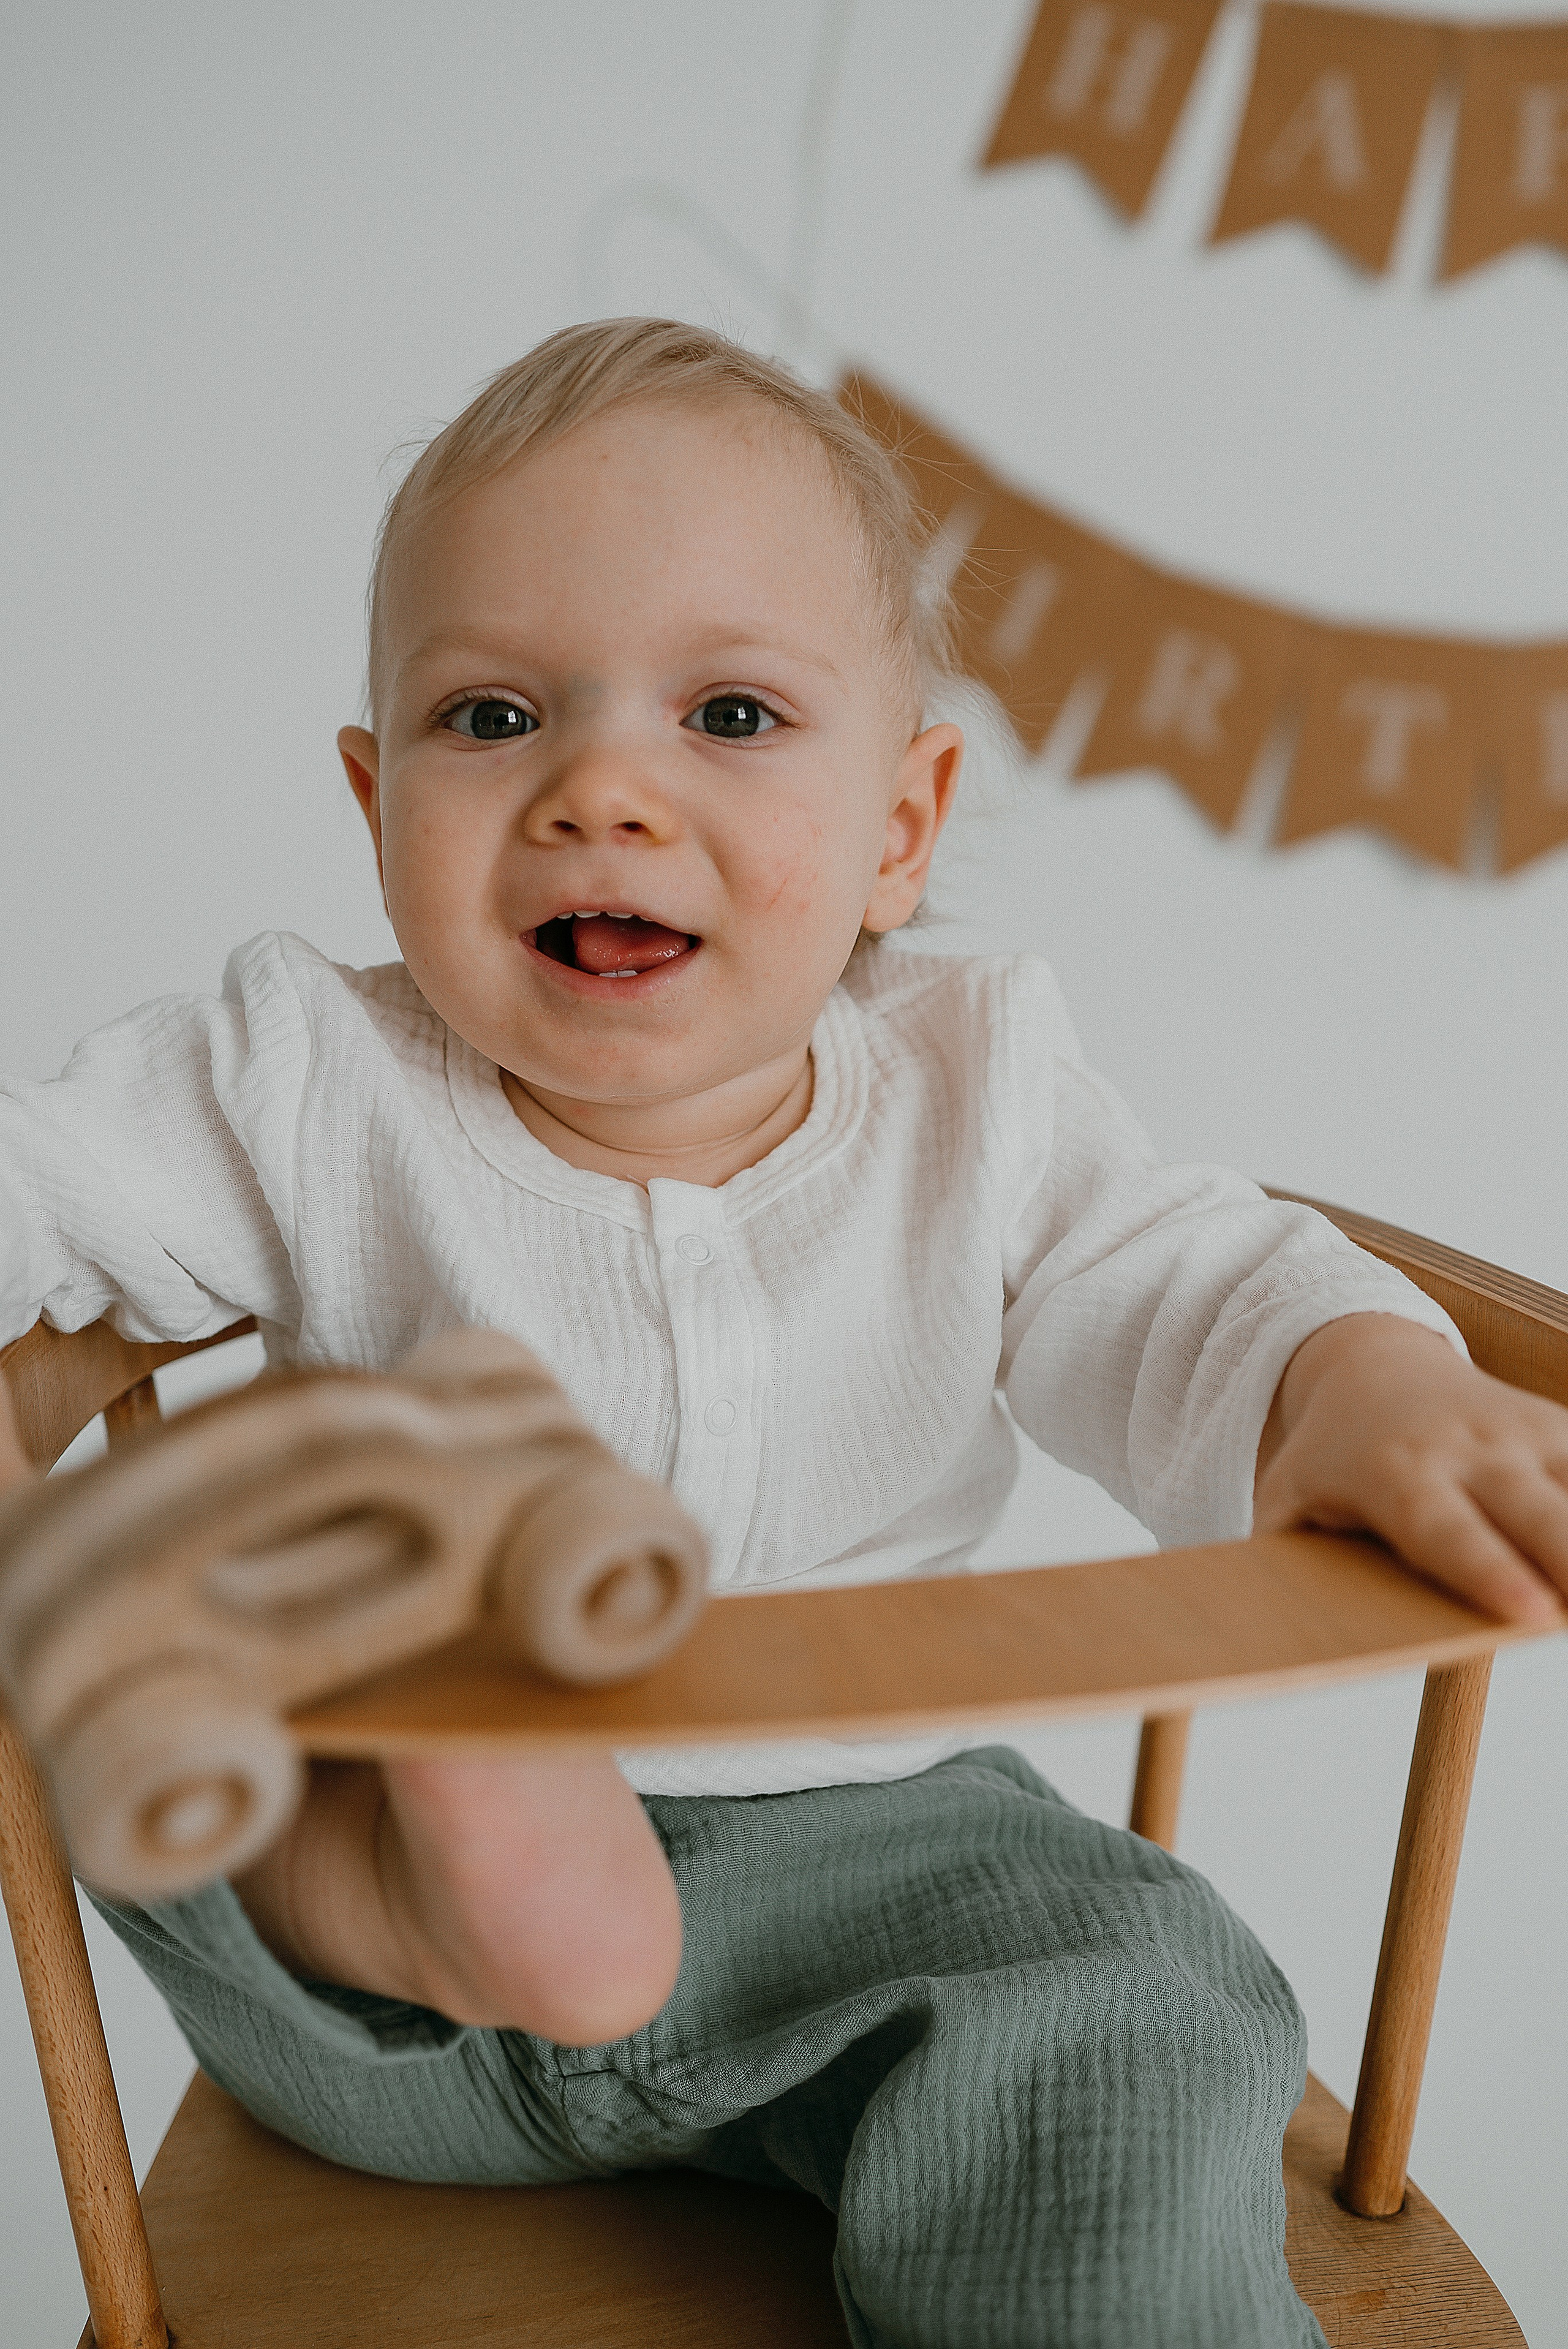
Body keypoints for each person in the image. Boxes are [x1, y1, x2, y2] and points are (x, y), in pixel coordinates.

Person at [2, 318, 1566, 2349]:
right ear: (374, 802)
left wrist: (1356, 1380)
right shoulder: (303, 1073)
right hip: (391, 1961)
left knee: (1136, 2006)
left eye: (730, 711)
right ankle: (454, 1828)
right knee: (131, 1615)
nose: (603, 791)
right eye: (494, 718)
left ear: (904, 826)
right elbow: (33, 1176)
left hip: (892, 1864)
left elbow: (1180, 1273)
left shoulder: (973, 1092)